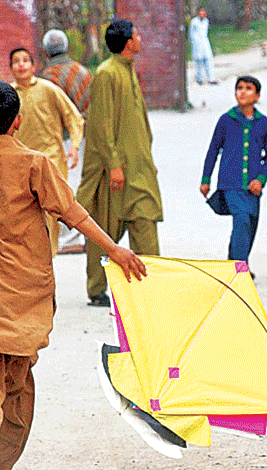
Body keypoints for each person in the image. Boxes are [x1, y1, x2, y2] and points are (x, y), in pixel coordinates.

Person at [0, 80, 146, 470]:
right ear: (17, 122)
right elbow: (72, 213)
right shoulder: (34, 164)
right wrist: (114, 249)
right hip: (25, 294)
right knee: (16, 382)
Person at [77, 19, 163, 308]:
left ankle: (151, 284)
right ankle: (97, 288)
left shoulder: (128, 71)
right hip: (113, 172)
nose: (140, 38)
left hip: (138, 169)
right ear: (128, 42)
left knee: (145, 222)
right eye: (137, 35)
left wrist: (147, 160)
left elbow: (138, 124)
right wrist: (114, 164)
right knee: (104, 231)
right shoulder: (107, 74)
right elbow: (100, 126)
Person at [10, 47, 85, 257]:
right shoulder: (8, 94)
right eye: (16, 61)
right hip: (20, 161)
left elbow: (74, 117)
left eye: (26, 60)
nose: (21, 65)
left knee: (52, 210)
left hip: (51, 158)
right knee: (25, 212)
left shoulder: (48, 89)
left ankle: (49, 256)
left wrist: (75, 147)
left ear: (34, 66)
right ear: (11, 68)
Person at [200, 76, 267, 274]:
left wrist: (261, 180)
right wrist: (206, 179)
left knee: (250, 224)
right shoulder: (226, 120)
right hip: (230, 183)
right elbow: (213, 150)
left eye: (248, 88)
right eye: (239, 88)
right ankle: (239, 268)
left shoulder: (264, 123)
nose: (242, 92)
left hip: (252, 186)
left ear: (257, 96)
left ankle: (233, 262)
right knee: (241, 218)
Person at [40, 29, 94, 254]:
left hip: (60, 140)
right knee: (79, 185)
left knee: (62, 187)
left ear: (46, 52)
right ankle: (76, 236)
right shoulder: (83, 72)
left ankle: (67, 237)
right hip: (83, 136)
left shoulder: (47, 78)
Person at [189, 7, 217, 85]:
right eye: (201, 12)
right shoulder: (194, 21)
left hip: (205, 42)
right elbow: (191, 34)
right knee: (198, 62)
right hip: (197, 43)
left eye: (204, 12)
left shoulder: (206, 21)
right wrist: (193, 42)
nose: (203, 14)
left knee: (208, 60)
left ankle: (211, 79)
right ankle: (199, 79)